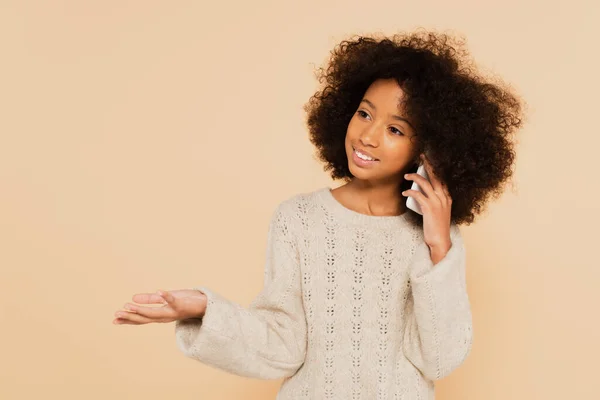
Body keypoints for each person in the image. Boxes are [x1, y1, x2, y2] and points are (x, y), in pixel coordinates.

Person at [113, 29, 524, 399]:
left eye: (395, 129)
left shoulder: (438, 241)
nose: (367, 135)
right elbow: (282, 348)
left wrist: (439, 249)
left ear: (428, 148)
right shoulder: (298, 218)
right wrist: (206, 308)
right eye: (364, 113)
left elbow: (440, 360)